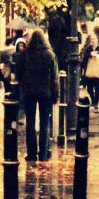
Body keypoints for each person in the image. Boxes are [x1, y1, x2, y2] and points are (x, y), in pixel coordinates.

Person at [16, 27, 60, 161]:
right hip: (45, 92)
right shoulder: (50, 54)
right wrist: (55, 94)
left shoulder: (25, 54)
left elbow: (19, 74)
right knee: (44, 123)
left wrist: (24, 85)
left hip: (29, 92)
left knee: (30, 123)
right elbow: (54, 77)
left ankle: (31, 152)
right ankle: (43, 153)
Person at [82, 33, 99, 108]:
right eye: (91, 39)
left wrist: (98, 56)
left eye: (94, 39)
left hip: (98, 71)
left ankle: (96, 103)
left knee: (98, 88)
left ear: (97, 40)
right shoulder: (88, 49)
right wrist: (90, 54)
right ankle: (93, 99)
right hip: (90, 71)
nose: (93, 41)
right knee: (89, 88)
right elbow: (84, 59)